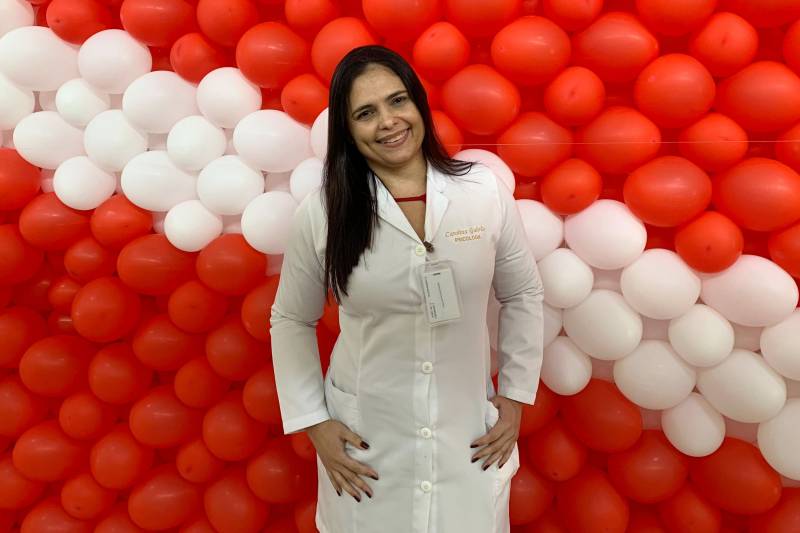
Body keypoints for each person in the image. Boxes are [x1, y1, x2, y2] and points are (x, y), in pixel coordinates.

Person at [270, 45, 545, 533]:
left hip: (467, 437)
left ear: (419, 104)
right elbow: (291, 318)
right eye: (366, 113)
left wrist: (517, 394)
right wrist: (313, 421)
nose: (388, 122)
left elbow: (522, 292)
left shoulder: (482, 192)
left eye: (398, 101)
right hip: (367, 447)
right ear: (347, 130)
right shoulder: (325, 212)